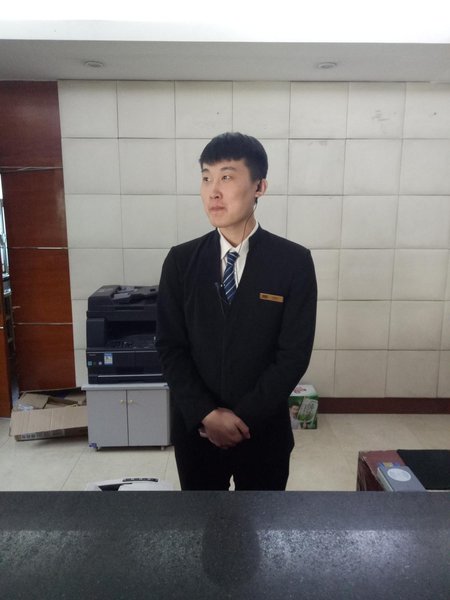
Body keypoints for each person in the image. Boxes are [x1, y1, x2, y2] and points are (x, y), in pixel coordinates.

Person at [156, 132, 317, 490]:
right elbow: (170, 347)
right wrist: (207, 414)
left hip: (263, 431)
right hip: (197, 431)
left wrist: (241, 419)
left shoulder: (292, 262)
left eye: (227, 177)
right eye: (206, 178)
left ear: (259, 186)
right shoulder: (181, 261)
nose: (213, 191)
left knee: (260, 520)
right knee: (202, 520)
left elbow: (293, 354)